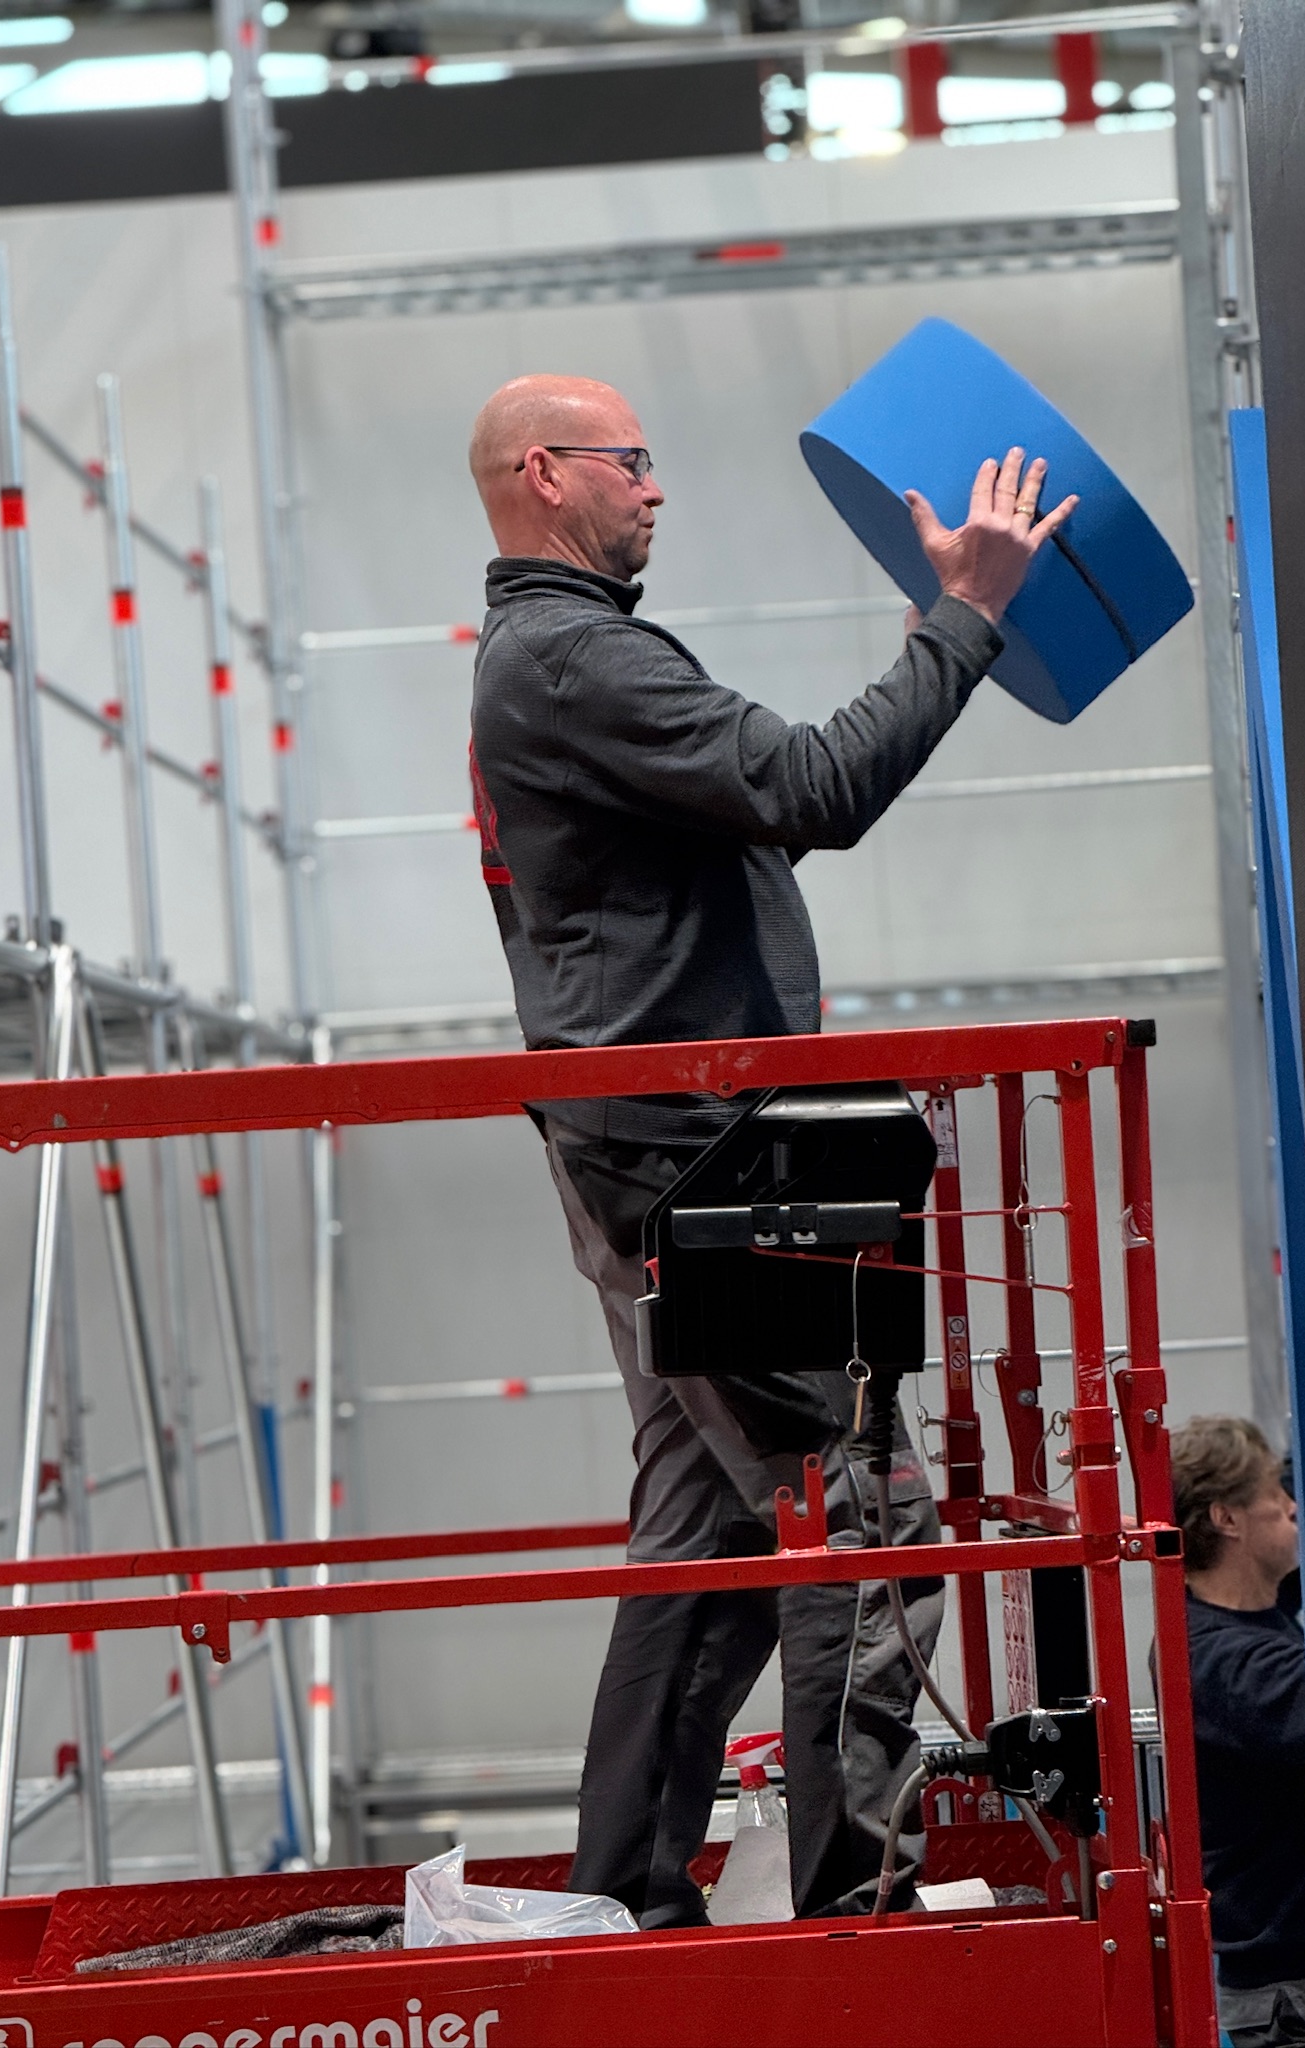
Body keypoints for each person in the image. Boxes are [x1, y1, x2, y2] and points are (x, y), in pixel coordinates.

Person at [466, 372, 1076, 1926]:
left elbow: (762, 814)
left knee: (717, 1529)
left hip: (660, 1157)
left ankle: (624, 1899)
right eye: (631, 461)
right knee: (864, 1519)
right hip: (697, 1169)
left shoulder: (558, 657)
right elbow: (816, 786)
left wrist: (942, 626)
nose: (655, 486)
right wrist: (965, 618)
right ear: (546, 475)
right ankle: (858, 1922)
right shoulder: (576, 658)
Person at [1171, 1415, 1305, 2048]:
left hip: (1302, 1981)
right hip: (1289, 1999)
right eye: (1275, 1492)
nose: (1292, 1507)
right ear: (1227, 1518)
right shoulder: (1220, 1660)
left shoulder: (1245, 1614)